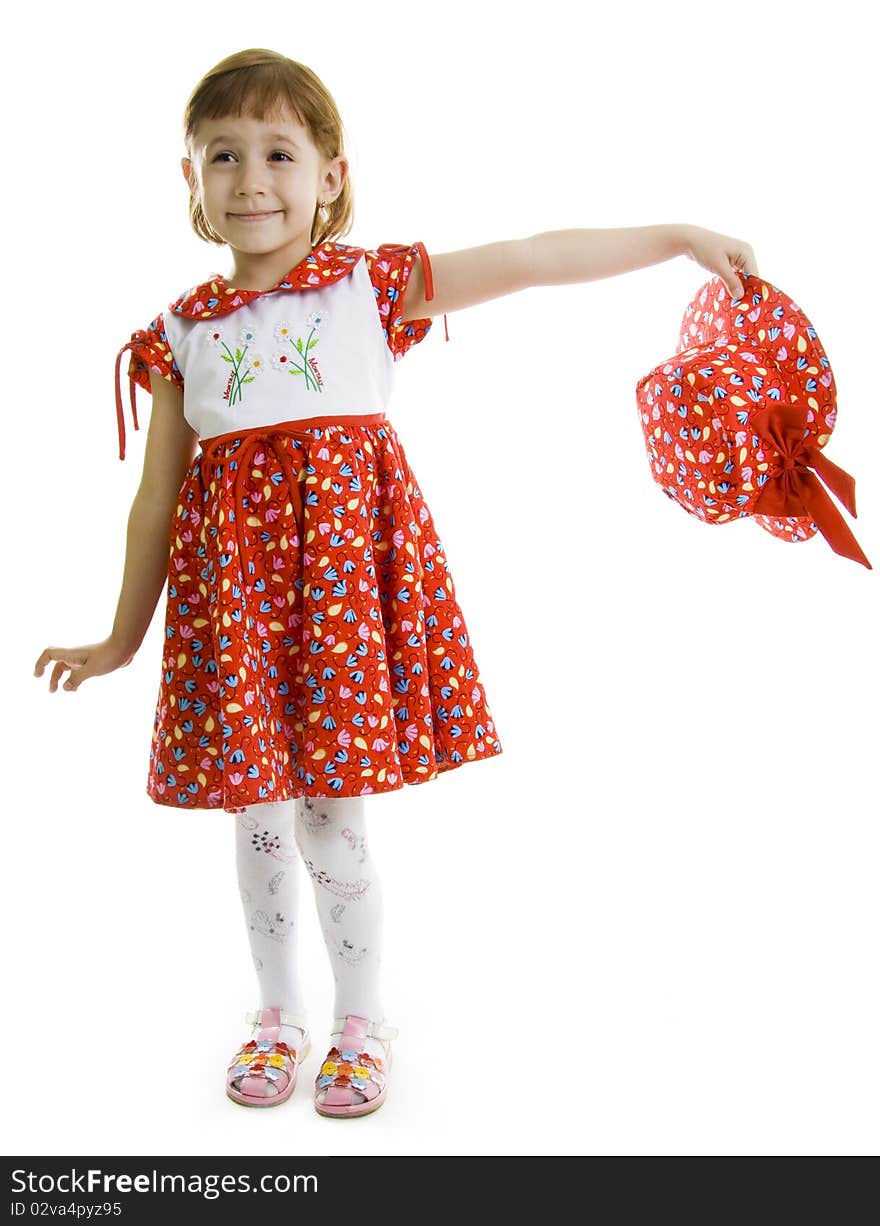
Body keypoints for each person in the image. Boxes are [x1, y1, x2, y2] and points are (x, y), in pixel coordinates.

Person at [32, 47, 758, 1119]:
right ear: (187, 179)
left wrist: (676, 238)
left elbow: (529, 255)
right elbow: (155, 502)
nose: (251, 179)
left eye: (280, 152)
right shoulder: (182, 333)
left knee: (333, 824)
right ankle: (278, 1014)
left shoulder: (367, 289)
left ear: (329, 174)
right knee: (260, 822)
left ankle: (359, 1024)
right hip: (236, 614)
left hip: (341, 605)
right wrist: (119, 636)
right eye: (222, 155)